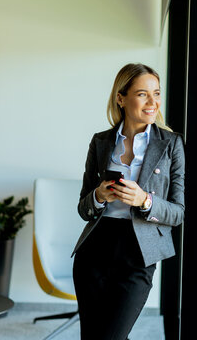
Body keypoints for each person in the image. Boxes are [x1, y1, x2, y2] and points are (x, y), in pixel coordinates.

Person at [71, 63, 185, 340]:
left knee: (112, 335)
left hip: (139, 252)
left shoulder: (171, 144)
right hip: (95, 248)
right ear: (121, 98)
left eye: (156, 93)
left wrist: (144, 200)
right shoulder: (100, 142)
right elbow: (84, 209)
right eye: (142, 94)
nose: (152, 102)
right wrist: (99, 196)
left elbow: (178, 212)